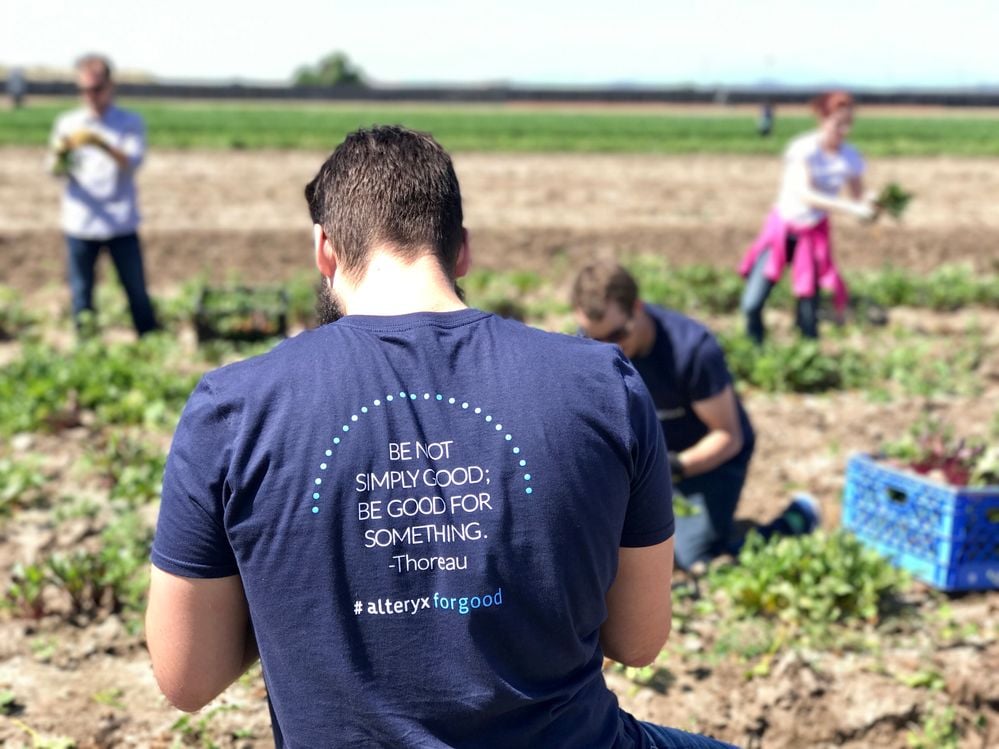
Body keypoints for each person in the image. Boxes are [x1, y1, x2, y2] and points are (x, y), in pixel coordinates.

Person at [145, 126, 735, 748]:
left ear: (324, 250)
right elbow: (639, 640)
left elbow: (188, 678)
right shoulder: (602, 384)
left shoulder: (232, 408)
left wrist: (290, 597)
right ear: (462, 251)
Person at [572, 261, 819, 572]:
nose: (608, 350)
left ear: (637, 307)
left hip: (706, 461)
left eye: (618, 335)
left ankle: (795, 520)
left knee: (694, 559)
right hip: (651, 460)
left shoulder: (691, 350)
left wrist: (670, 468)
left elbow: (728, 436)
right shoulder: (589, 349)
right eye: (594, 339)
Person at [739, 91, 877, 344]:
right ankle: (753, 349)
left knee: (808, 311)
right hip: (783, 231)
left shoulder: (850, 156)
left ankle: (807, 359)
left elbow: (859, 197)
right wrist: (850, 208)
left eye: (848, 124)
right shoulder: (803, 149)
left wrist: (873, 203)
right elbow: (805, 193)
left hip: (813, 236)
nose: (844, 130)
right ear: (823, 120)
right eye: (839, 124)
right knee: (752, 303)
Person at [47, 54, 157, 337]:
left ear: (110, 86)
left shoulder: (129, 122)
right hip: (81, 222)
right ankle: (87, 348)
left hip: (120, 220)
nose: (90, 96)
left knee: (136, 290)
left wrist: (100, 143)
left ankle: (150, 341)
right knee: (82, 294)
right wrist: (63, 153)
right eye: (84, 90)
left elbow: (133, 162)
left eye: (96, 89)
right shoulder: (68, 123)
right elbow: (53, 169)